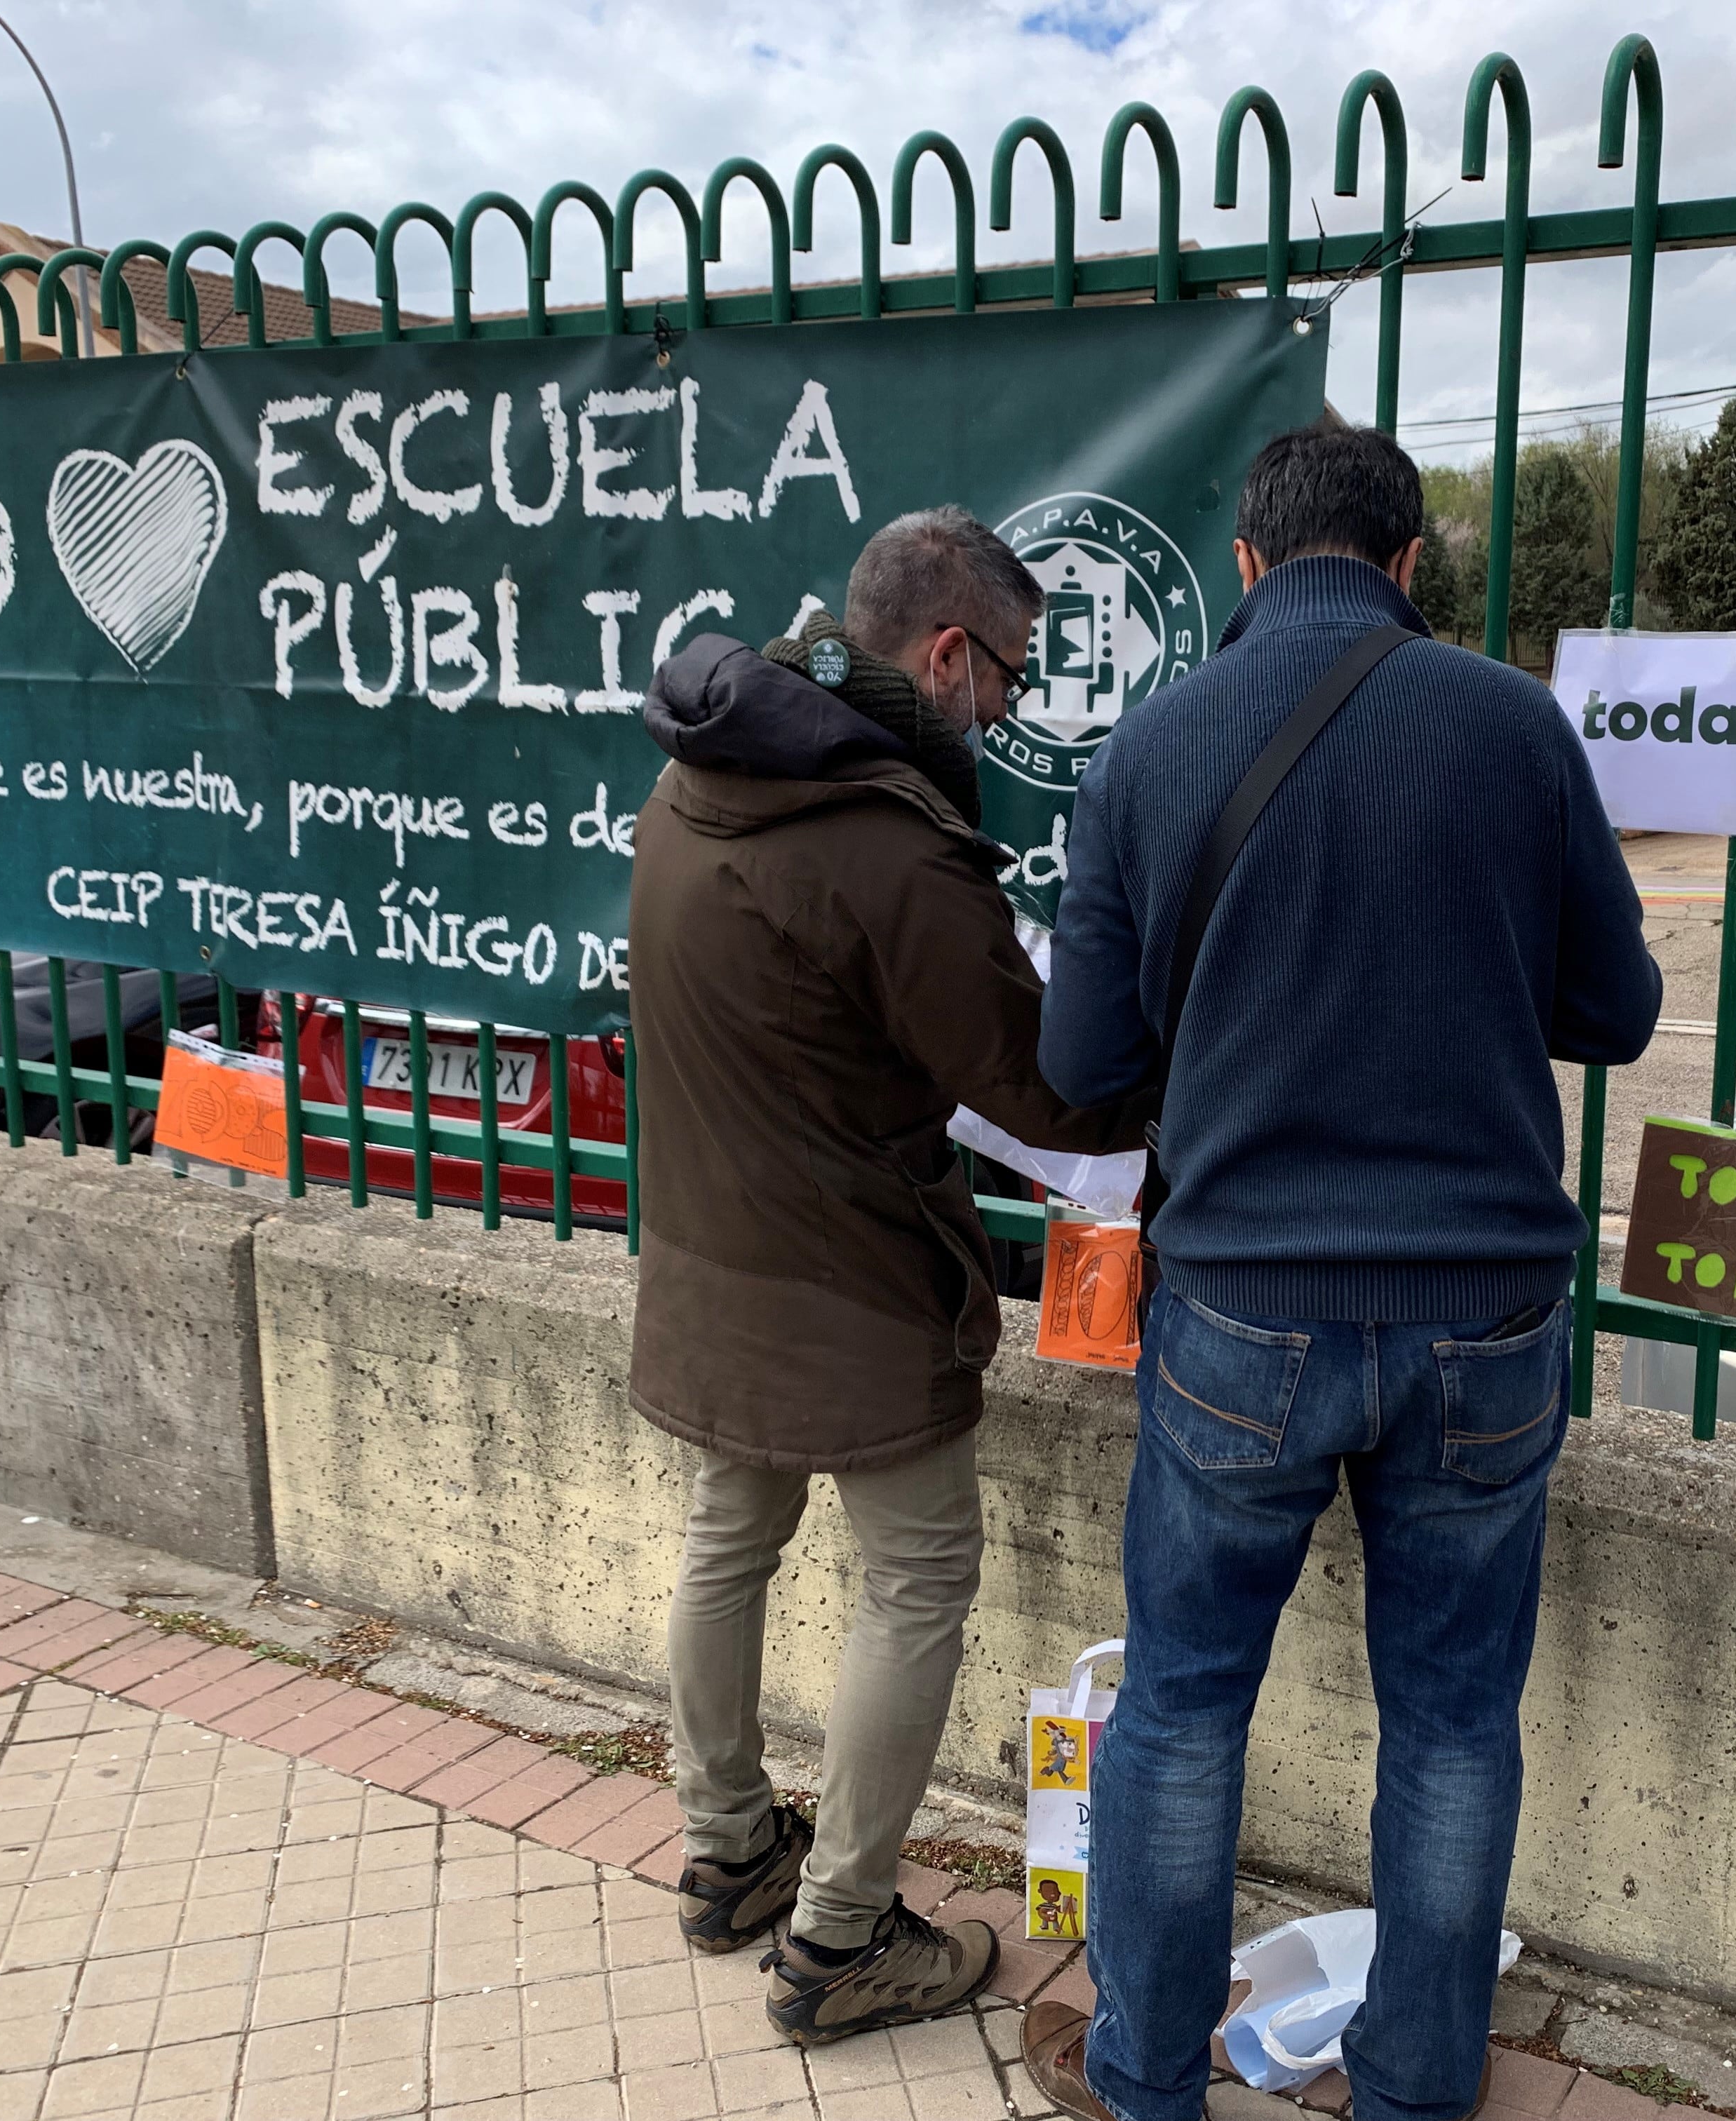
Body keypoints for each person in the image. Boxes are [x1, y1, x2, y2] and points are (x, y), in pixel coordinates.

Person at [1023, 424, 1663, 2121]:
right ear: (1405, 562)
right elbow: (1620, 1012)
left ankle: (1147, 2081)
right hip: (1488, 1311)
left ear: (1245, 567)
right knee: (1453, 1721)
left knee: (1178, 1711)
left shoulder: (1151, 751)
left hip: (1243, 1305)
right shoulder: (1513, 726)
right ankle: (1413, 2089)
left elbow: (1082, 1057)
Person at [628, 506, 1154, 2047]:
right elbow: (1042, 1090)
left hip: (711, 1256)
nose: (1012, 706)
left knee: (730, 1534)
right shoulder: (888, 846)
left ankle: (728, 1849)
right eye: (1011, 675)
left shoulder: (693, 785)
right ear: (943, 655)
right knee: (917, 1578)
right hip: (853, 1279)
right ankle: (841, 1937)